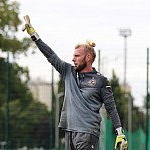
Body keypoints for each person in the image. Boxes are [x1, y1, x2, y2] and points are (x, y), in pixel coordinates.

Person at [22, 15, 128, 150]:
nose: (73, 59)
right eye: (73, 56)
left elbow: (111, 107)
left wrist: (120, 132)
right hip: (69, 131)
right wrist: (33, 35)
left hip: (87, 132)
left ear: (88, 57)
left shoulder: (101, 80)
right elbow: (50, 55)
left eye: (77, 56)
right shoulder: (68, 71)